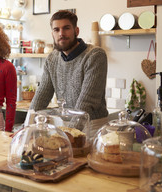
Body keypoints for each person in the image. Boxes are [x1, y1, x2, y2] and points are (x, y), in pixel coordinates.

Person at [28, 10, 109, 138]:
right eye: (56, 30)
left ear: (76, 31)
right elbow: (41, 95)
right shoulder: (52, 59)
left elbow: (86, 103)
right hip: (66, 127)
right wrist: (27, 127)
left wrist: (67, 136)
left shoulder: (95, 55)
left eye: (66, 28)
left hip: (92, 127)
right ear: (52, 33)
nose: (61, 34)